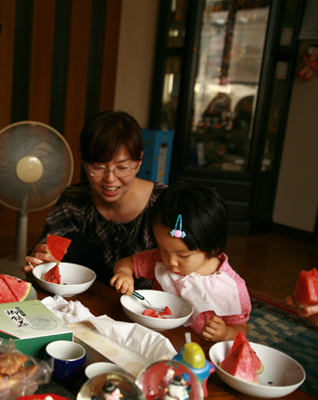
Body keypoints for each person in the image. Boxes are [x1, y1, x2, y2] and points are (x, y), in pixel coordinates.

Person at [24, 111, 166, 285]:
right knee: (70, 242)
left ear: (139, 163)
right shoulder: (73, 200)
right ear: (85, 164)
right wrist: (37, 265)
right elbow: (40, 264)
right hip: (88, 295)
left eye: (122, 168)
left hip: (147, 303)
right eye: (98, 167)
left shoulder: (164, 203)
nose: (110, 179)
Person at [111, 183, 251, 342]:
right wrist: (124, 273)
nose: (171, 262)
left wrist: (225, 333)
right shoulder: (159, 259)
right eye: (163, 249)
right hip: (158, 337)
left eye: (183, 255)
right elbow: (127, 262)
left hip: (197, 352)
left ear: (213, 247)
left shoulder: (231, 288)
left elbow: (241, 329)